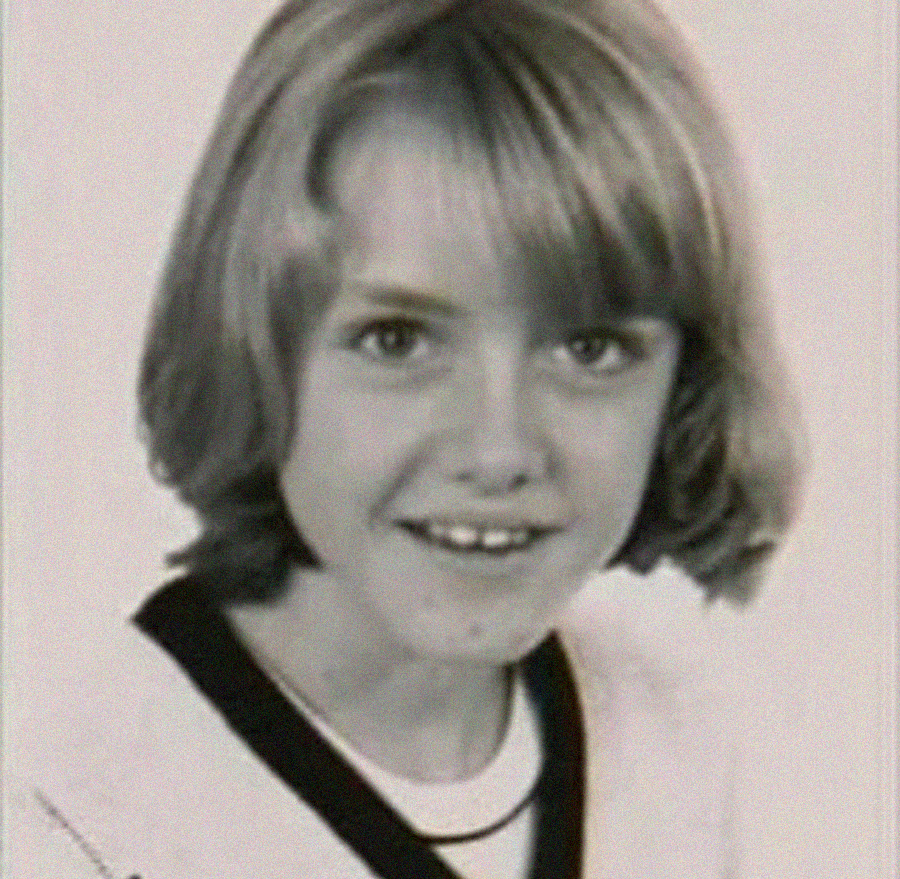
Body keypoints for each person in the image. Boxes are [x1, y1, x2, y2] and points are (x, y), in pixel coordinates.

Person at [20, 0, 800, 876]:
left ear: (687, 382)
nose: (499, 450)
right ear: (251, 347)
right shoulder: (79, 815)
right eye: (398, 340)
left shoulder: (673, 752)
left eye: (590, 348)